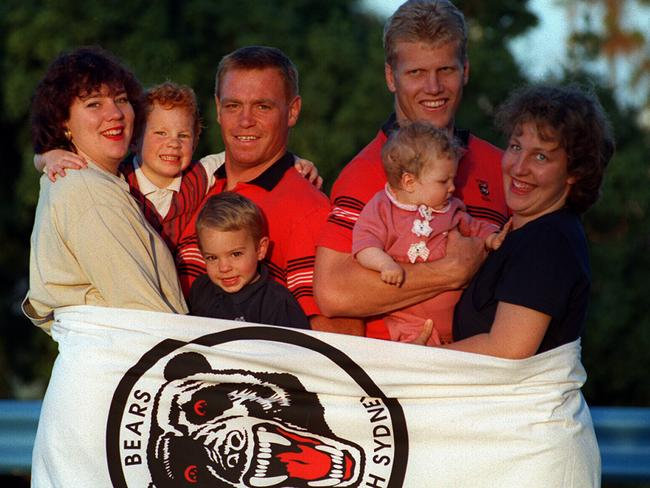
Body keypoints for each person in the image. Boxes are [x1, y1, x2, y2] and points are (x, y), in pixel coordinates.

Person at [314, 0, 510, 340]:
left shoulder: (501, 165)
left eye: (445, 70)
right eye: (416, 72)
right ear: (391, 77)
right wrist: (450, 272)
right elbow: (333, 291)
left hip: (485, 376)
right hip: (398, 379)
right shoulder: (365, 171)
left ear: (465, 70)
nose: (433, 87)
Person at [175, 46, 354, 333]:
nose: (245, 120)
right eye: (233, 106)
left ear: (292, 111)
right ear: (218, 109)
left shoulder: (306, 209)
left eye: (262, 106)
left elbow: (335, 337)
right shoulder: (202, 185)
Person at [35, 82, 322, 254]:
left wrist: (294, 162)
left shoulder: (202, 173)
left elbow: (253, 152)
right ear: (135, 139)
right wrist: (48, 156)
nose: (173, 144)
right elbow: (60, 161)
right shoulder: (117, 176)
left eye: (183, 136)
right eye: (160, 134)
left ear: (196, 140)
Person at [440, 84, 614, 358]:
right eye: (515, 146)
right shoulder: (518, 235)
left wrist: (420, 358)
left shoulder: (548, 242)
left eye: (541, 156)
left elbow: (507, 349)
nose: (519, 167)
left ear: (575, 172)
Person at [24, 46, 187, 332]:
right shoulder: (90, 193)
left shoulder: (85, 179)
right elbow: (147, 316)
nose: (115, 114)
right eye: (94, 104)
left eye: (121, 100)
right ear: (64, 122)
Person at [353, 122, 507, 345]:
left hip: (457, 325)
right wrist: (385, 264)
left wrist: (493, 238)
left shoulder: (451, 208)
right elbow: (364, 245)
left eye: (453, 179)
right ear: (409, 181)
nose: (452, 187)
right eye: (444, 181)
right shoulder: (383, 207)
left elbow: (476, 228)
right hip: (409, 323)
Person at [189, 192, 310, 329]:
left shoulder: (277, 303)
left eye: (236, 254)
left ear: (260, 249)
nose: (224, 268)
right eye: (212, 257)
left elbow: (296, 349)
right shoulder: (201, 290)